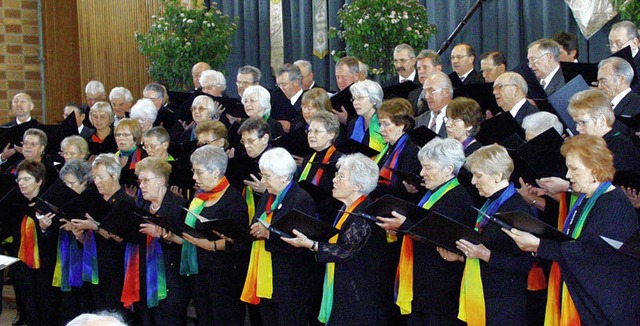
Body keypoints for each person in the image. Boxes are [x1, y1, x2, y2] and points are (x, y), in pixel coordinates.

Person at [504, 135, 640, 325]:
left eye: (574, 169)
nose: (567, 175)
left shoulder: (614, 203)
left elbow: (590, 253)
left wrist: (539, 244)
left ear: (594, 169)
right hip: (590, 303)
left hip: (610, 311)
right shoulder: (586, 199)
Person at [376, 138, 474, 325]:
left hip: (439, 293)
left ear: (448, 169)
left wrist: (405, 226)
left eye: (428, 168)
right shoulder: (431, 194)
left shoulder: (458, 199)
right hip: (421, 286)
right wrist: (401, 229)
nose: (422, 173)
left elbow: (441, 237)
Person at [283, 153, 389, 325]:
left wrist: (310, 244)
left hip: (358, 293)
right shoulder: (346, 208)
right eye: (336, 175)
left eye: (341, 177)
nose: (334, 180)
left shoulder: (364, 213)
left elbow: (345, 251)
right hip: (344, 286)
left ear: (358, 185)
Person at [438, 144, 533, 325]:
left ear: (497, 176)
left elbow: (524, 263)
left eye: (478, 176)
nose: (473, 181)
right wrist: (461, 257)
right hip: (483, 295)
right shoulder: (490, 202)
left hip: (503, 305)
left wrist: (485, 255)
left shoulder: (517, 209)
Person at [241, 147, 318, 326]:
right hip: (267, 277)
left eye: (267, 176)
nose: (263, 180)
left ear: (284, 176)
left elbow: (299, 241)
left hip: (290, 283)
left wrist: (268, 234)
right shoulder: (268, 195)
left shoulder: (300, 199)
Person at [176, 146, 250, 325]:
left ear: (216, 171)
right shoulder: (200, 197)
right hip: (200, 271)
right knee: (204, 318)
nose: (194, 177)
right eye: (194, 171)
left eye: (199, 172)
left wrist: (212, 245)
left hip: (224, 275)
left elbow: (242, 241)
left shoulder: (233, 199)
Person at [120, 157, 189, 325]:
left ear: (161, 180)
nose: (141, 185)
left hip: (170, 281)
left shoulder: (178, 206)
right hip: (143, 279)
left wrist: (163, 235)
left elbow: (190, 243)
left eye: (146, 180)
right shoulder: (141, 206)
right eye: (139, 181)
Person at [70, 154, 131, 314]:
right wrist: (80, 236)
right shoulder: (93, 198)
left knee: (113, 313)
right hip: (93, 267)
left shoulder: (125, 202)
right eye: (95, 177)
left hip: (116, 269)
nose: (96, 181)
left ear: (115, 175)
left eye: (101, 177)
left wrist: (96, 227)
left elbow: (121, 240)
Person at [11, 160, 60, 325]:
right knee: (28, 309)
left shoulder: (48, 206)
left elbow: (53, 239)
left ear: (39, 181)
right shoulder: (17, 204)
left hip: (44, 269)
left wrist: (44, 229)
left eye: (27, 179)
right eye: (20, 179)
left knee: (44, 310)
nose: (22, 183)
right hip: (23, 267)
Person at [56, 159, 94, 324]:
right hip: (67, 259)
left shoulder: (92, 200)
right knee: (67, 306)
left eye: (71, 183)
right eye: (65, 184)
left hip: (88, 265)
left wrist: (77, 230)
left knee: (84, 305)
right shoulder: (64, 199)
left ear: (84, 182)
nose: (67, 188)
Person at [297, 111, 343, 223]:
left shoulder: (340, 160)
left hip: (327, 217)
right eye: (310, 131)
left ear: (331, 134)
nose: (311, 135)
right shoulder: (308, 159)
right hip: (305, 213)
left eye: (317, 131)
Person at [374, 98, 421, 199]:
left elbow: (404, 190)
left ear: (401, 125)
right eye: (380, 124)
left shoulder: (410, 151)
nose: (381, 129)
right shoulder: (388, 147)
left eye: (386, 124)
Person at [346, 80, 386, 152]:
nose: (355, 103)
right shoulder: (353, 124)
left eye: (360, 98)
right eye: (354, 99)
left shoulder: (383, 123)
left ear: (374, 100)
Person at [415, 71, 453, 137]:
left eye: (431, 91)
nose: (426, 96)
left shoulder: (459, 118)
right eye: (425, 92)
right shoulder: (419, 120)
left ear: (446, 92)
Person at [607, 21, 640, 93]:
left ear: (635, 43)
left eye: (619, 44)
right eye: (611, 44)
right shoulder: (610, 64)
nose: (613, 49)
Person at [408, 49, 443, 115]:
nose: (421, 72)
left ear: (438, 69)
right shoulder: (413, 95)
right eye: (418, 68)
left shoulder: (446, 93)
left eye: (425, 67)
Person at [274, 63, 305, 133]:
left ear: (296, 82)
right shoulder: (276, 101)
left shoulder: (308, 100)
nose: (280, 88)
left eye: (284, 84)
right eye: (278, 85)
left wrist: (291, 127)